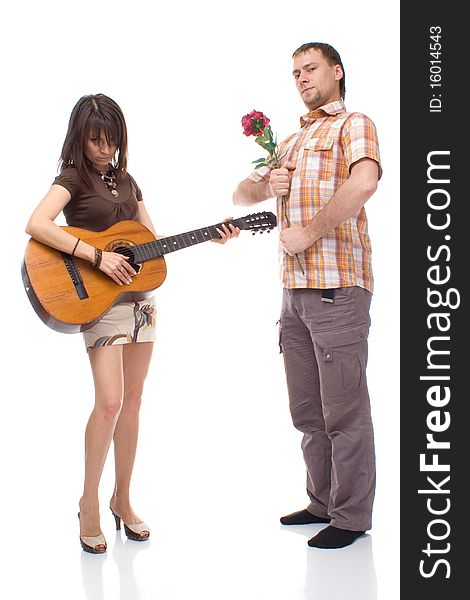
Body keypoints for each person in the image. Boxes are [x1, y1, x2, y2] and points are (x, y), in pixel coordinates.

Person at [26, 94, 239, 554]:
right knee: (110, 402)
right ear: (79, 139)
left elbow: (152, 240)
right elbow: (37, 224)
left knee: (135, 400)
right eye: (96, 141)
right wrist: (95, 255)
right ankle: (88, 503)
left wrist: (210, 236)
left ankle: (121, 499)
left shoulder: (127, 181)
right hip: (98, 301)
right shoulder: (72, 179)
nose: (105, 150)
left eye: (112, 140)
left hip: (139, 299)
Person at [233, 43, 381, 549]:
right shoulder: (291, 140)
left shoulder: (353, 123)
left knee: (344, 409)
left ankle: (352, 517)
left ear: (337, 72)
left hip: (336, 286)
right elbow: (240, 193)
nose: (301, 77)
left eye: (311, 68)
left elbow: (363, 184)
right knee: (307, 410)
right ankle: (322, 502)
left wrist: (309, 231)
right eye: (295, 72)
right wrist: (266, 182)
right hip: (293, 295)